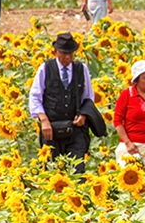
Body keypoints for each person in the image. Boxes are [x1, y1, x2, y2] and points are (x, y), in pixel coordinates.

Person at [29, 33, 96, 174]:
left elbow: (88, 97)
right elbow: (35, 97)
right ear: (55, 52)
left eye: (71, 54)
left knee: (77, 172)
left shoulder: (81, 69)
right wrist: (44, 120)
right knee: (52, 173)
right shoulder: (45, 68)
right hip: (51, 130)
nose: (68, 57)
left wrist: (83, 115)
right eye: (64, 53)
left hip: (75, 129)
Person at [114, 60, 145, 169]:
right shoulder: (126, 95)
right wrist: (128, 143)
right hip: (131, 147)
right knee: (131, 179)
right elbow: (117, 121)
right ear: (136, 80)